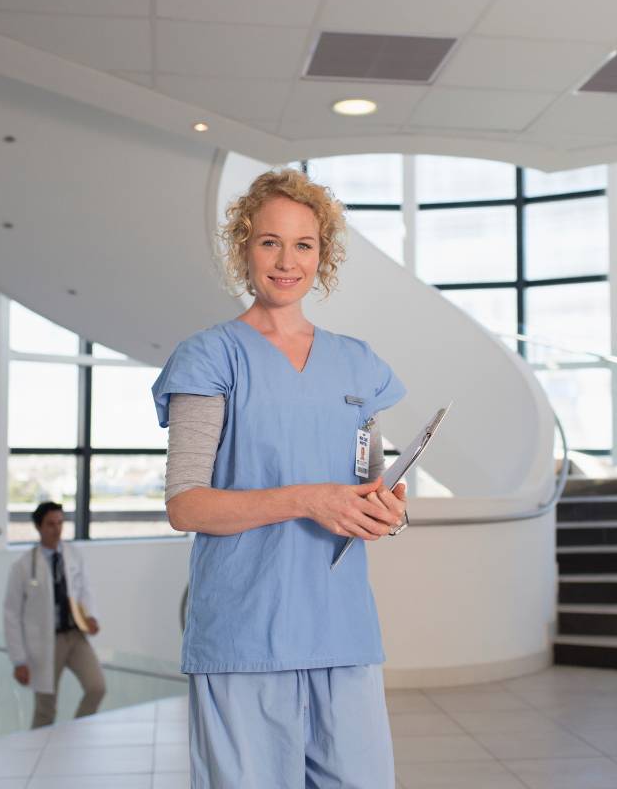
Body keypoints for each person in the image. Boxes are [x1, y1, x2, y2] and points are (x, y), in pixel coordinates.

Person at [151, 169, 408, 788]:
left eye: (303, 245)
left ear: (323, 257)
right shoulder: (210, 356)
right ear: (243, 247)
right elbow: (186, 506)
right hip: (246, 631)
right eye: (269, 242)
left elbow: (368, 479)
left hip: (341, 629)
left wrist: (388, 509)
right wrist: (308, 500)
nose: (286, 261)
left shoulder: (358, 362)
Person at [2, 501, 106, 728]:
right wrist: (19, 660)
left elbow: (85, 590)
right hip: (46, 642)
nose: (57, 529)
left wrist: (92, 617)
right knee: (45, 708)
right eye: (50, 524)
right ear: (39, 527)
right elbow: (11, 614)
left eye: (60, 523)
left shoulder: (74, 555)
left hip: (75, 636)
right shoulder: (23, 566)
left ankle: (77, 731)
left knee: (97, 687)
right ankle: (37, 753)